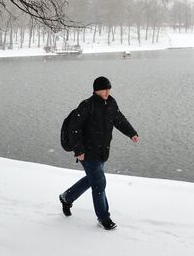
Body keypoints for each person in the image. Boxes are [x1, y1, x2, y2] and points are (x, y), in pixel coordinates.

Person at [58, 76, 139, 230]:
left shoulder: (111, 104)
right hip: (86, 152)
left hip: (102, 151)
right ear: (96, 90)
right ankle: (103, 217)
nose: (108, 91)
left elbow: (119, 119)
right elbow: (73, 128)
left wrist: (131, 133)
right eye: (104, 89)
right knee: (99, 182)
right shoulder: (87, 105)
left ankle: (66, 197)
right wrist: (78, 150)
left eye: (109, 88)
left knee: (92, 179)